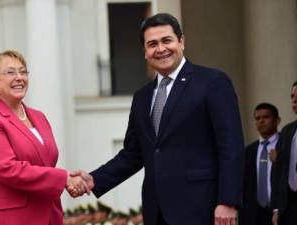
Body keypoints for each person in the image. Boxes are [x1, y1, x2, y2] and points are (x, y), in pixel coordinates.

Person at [72, 13, 244, 225]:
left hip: (204, 209)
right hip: (157, 212)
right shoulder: (142, 97)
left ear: (181, 42)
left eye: (166, 40)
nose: (160, 49)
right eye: (152, 44)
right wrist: (94, 179)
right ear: (145, 52)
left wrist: (228, 201)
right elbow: (133, 154)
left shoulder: (212, 82)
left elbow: (231, 146)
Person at [0, 50, 89, 225]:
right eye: (10, 72)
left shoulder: (39, 118)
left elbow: (45, 163)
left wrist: (67, 182)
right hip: (2, 219)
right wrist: (63, 178)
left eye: (23, 72)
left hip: (44, 215)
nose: (19, 77)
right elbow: (9, 169)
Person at [239, 103, 280, 225]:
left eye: (266, 117)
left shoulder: (285, 144)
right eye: (257, 118)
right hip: (253, 214)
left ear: (277, 120)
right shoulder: (248, 151)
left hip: (280, 211)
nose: (261, 121)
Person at [271, 81, 297, 225]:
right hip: (290, 204)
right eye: (292, 96)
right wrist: (276, 208)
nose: (294, 99)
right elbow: (278, 173)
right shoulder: (287, 131)